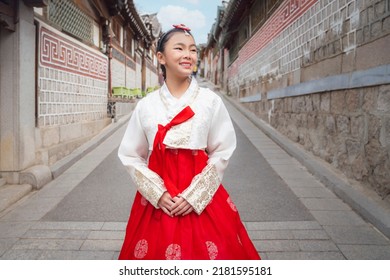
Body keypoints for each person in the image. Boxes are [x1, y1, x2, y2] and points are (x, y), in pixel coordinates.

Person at [117, 24, 260, 260]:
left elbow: (222, 150)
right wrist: (158, 193)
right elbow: (131, 155)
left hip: (201, 196)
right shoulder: (146, 105)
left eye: (193, 50)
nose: (188, 55)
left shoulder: (210, 101)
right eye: (180, 48)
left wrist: (194, 196)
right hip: (158, 200)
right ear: (160, 57)